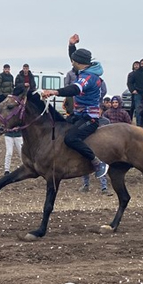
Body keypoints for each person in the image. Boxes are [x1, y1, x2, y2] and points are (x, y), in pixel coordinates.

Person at [39, 33, 108, 178]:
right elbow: (75, 59)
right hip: (78, 115)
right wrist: (71, 45)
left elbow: (74, 89)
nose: (71, 62)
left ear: (78, 62)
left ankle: (97, 162)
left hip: (90, 118)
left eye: (73, 61)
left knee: (71, 138)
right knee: (58, 126)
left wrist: (54, 92)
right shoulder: (83, 69)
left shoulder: (88, 78)